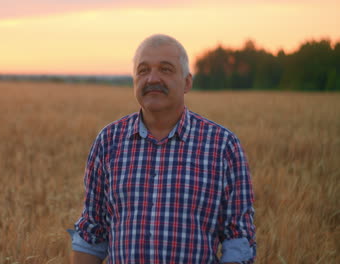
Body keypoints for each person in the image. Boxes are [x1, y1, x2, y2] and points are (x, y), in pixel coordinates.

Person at [68, 34, 256, 264]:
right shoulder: (109, 142)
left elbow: (238, 239)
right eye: (143, 70)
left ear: (187, 82)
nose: (152, 79)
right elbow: (92, 232)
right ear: (134, 81)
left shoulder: (223, 146)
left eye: (165, 70)